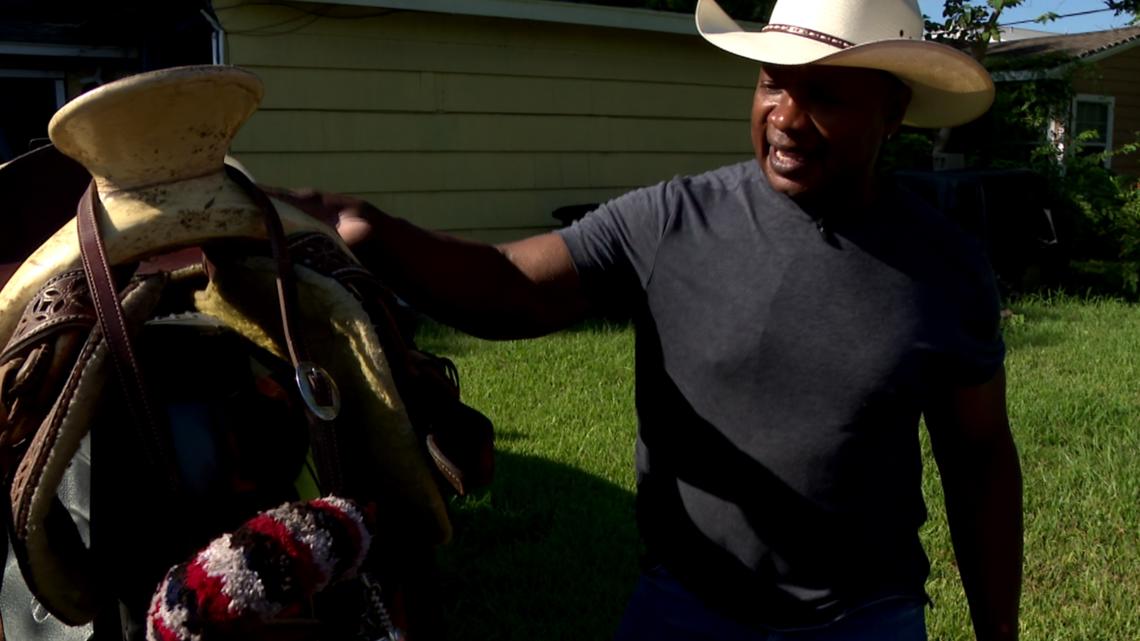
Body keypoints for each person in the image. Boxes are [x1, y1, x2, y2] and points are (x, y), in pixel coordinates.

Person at [272, 0, 1023, 639]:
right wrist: (371, 230)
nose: (786, 118)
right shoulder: (675, 221)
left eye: (824, 95)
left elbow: (980, 457)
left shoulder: (944, 268)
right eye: (772, 84)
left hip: (864, 617)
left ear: (892, 112)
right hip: (687, 604)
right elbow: (509, 286)